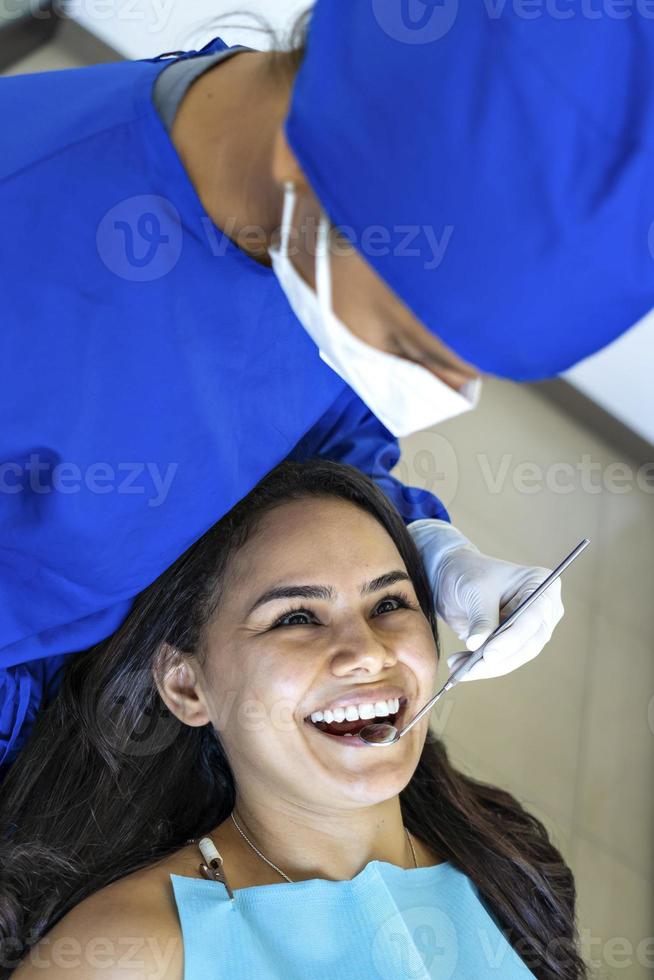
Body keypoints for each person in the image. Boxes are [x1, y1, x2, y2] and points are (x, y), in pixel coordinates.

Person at [7, 0, 651, 778]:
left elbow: (304, 432)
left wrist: (424, 544)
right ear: (298, 168)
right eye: (410, 345)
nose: (449, 396)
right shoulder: (39, 276)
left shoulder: (302, 225)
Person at [0, 459, 587, 980]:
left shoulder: (508, 866)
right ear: (186, 685)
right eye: (297, 617)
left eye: (389, 604)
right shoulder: (129, 952)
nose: (368, 653)